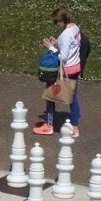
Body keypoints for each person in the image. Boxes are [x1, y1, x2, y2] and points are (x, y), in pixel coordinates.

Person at [33, 8, 82, 138]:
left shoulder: (66, 34)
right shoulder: (75, 28)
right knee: (73, 99)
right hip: (75, 67)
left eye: (56, 22)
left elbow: (63, 57)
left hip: (65, 69)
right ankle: (75, 129)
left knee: (50, 97)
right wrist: (58, 43)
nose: (56, 25)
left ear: (61, 20)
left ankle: (49, 126)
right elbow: (73, 47)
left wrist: (51, 47)